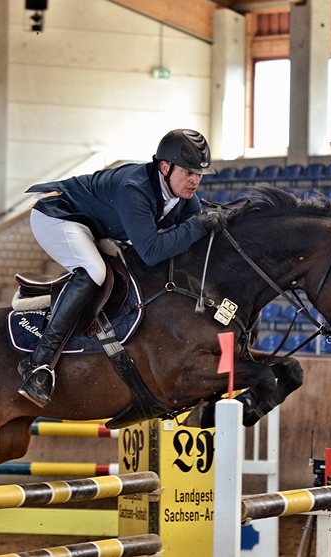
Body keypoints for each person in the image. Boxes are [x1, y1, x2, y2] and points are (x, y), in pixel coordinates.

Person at [18, 129, 227, 407]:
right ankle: (38, 366)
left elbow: (191, 243)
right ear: (164, 167)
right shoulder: (134, 188)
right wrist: (197, 226)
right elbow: (152, 252)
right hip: (58, 216)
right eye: (188, 173)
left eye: (199, 174)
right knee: (95, 271)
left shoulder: (185, 199)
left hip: (96, 226)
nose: (195, 181)